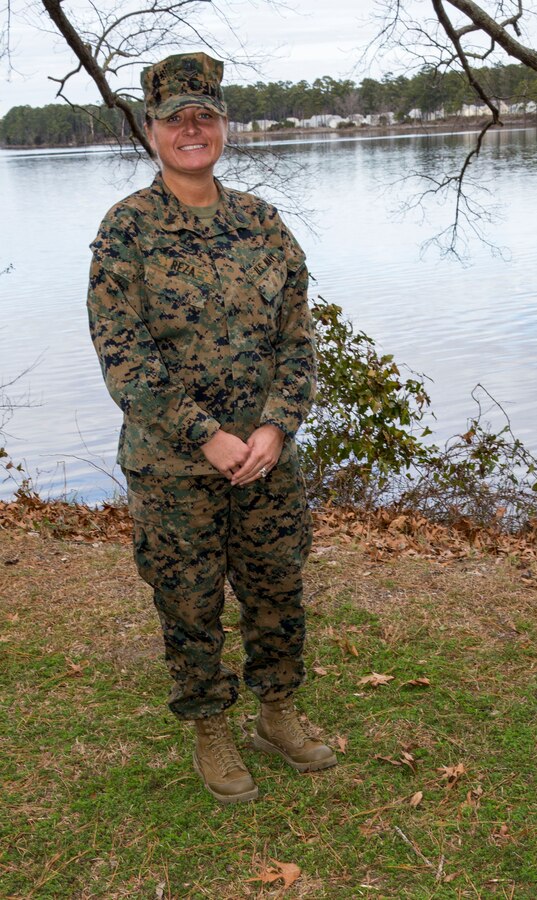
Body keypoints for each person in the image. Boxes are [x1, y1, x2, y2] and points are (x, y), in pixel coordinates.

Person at [87, 52, 336, 805]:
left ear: (223, 126)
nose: (191, 129)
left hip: (265, 460)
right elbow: (122, 355)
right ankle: (209, 728)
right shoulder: (127, 229)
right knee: (189, 603)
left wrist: (276, 427)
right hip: (174, 466)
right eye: (175, 119)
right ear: (153, 130)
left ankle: (278, 713)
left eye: (205, 116)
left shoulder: (262, 223)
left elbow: (297, 339)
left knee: (275, 589)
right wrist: (205, 433)